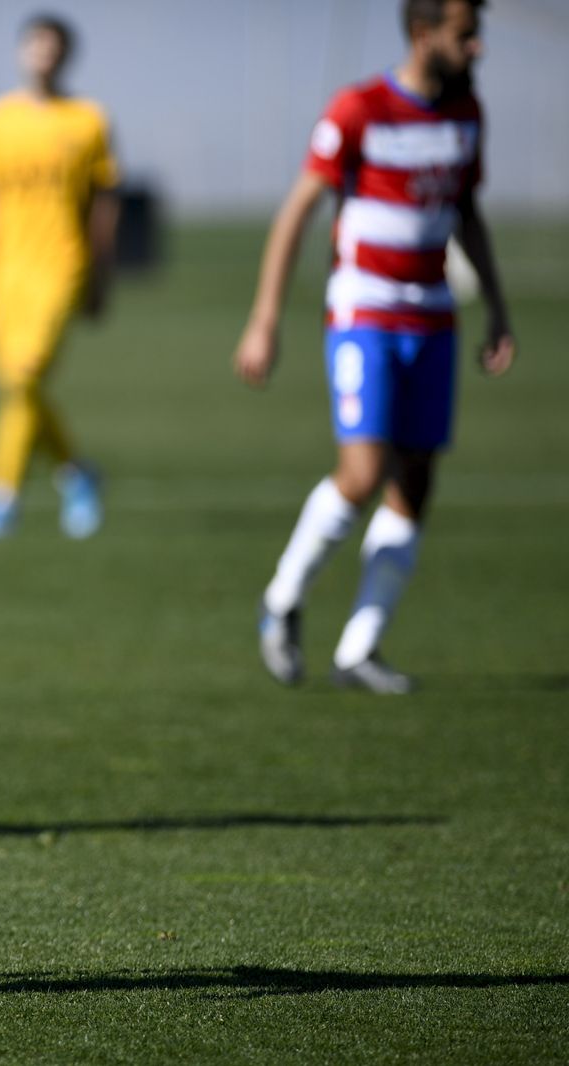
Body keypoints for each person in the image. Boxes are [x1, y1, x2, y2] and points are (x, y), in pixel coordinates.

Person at [235, 0, 514, 693]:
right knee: (362, 474)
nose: (477, 47)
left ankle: (359, 649)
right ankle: (280, 601)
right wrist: (266, 318)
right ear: (424, 34)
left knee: (415, 481)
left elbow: (466, 214)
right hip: (365, 312)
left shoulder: (465, 115)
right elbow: (297, 210)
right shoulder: (359, 109)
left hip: (434, 319)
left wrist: (499, 308)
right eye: (465, 33)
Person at [0, 14, 120, 542]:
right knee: (16, 385)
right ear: (23, 52)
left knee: (25, 376)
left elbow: (102, 205)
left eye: (54, 46)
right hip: (7, 271)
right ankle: (77, 472)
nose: (44, 54)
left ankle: (1, 495)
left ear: (66, 54)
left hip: (62, 264)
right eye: (36, 44)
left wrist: (100, 274)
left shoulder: (89, 120)